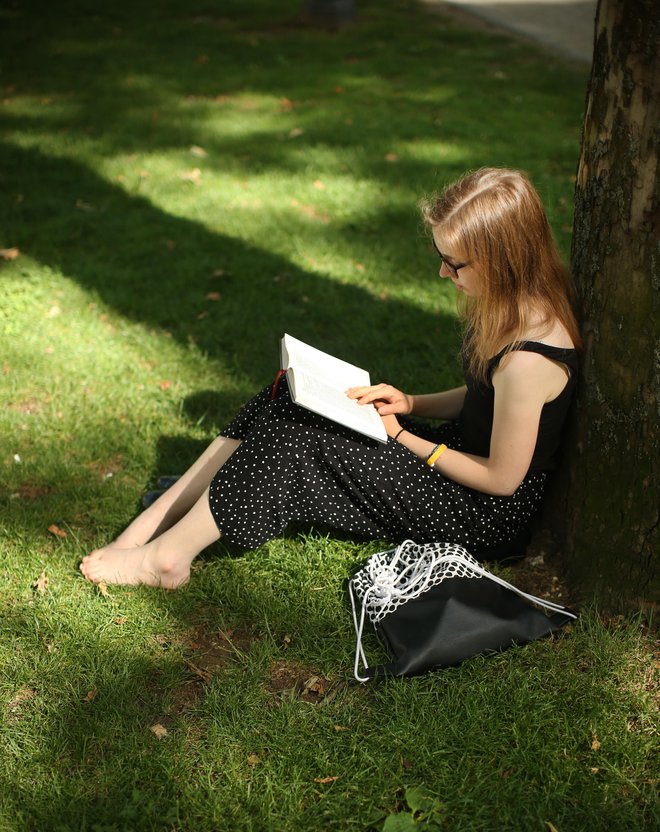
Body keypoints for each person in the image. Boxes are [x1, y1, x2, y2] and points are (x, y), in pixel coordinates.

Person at [80, 167, 582, 589]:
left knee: (296, 441)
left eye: (454, 264)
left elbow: (502, 479)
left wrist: (405, 438)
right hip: (456, 462)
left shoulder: (530, 361)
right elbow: (482, 398)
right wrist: (410, 402)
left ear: (501, 259)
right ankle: (165, 515)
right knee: (286, 395)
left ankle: (166, 559)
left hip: (479, 515)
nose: (443, 275)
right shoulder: (513, 305)